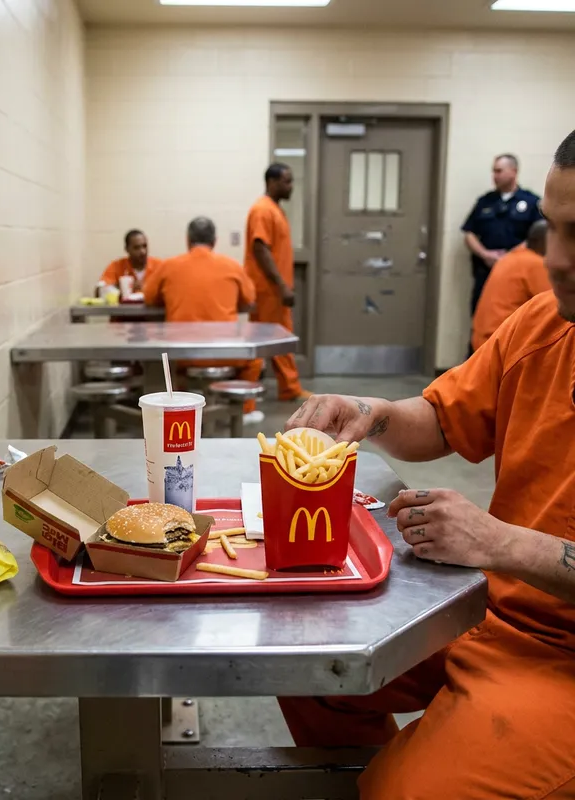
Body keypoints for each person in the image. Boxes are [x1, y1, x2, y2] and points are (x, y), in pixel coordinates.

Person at [279, 130, 575, 799]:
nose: (555, 260)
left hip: (562, 660)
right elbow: (445, 418)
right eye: (551, 229)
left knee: (406, 791)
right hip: (491, 612)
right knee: (303, 657)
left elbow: (508, 547)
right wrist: (371, 413)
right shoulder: (543, 327)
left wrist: (501, 543)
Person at [144, 217, 263, 419]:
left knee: (167, 363)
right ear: (214, 241)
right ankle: (245, 410)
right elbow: (250, 299)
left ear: (187, 240)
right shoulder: (232, 266)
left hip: (181, 356)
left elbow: (148, 297)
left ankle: (180, 405)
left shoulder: (168, 266)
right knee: (254, 360)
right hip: (226, 353)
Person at [244, 163, 311, 404]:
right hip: (267, 290)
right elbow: (260, 248)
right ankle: (246, 400)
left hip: (274, 289)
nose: (291, 186)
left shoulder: (273, 209)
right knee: (263, 341)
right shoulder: (263, 210)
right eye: (287, 181)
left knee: (275, 339)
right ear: (272, 182)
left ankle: (288, 388)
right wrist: (281, 285)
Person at [463, 154, 542, 316]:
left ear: (513, 171)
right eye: (493, 171)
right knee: (481, 316)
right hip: (486, 272)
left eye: (499, 171)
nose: (495, 176)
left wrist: (510, 257)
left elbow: (540, 237)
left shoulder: (532, 202)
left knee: (515, 320)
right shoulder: (485, 201)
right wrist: (485, 254)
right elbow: (469, 233)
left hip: (518, 275)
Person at [471, 220, 550, 351]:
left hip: (483, 340)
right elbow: (556, 308)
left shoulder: (510, 257)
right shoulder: (536, 264)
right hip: (503, 345)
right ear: (544, 242)